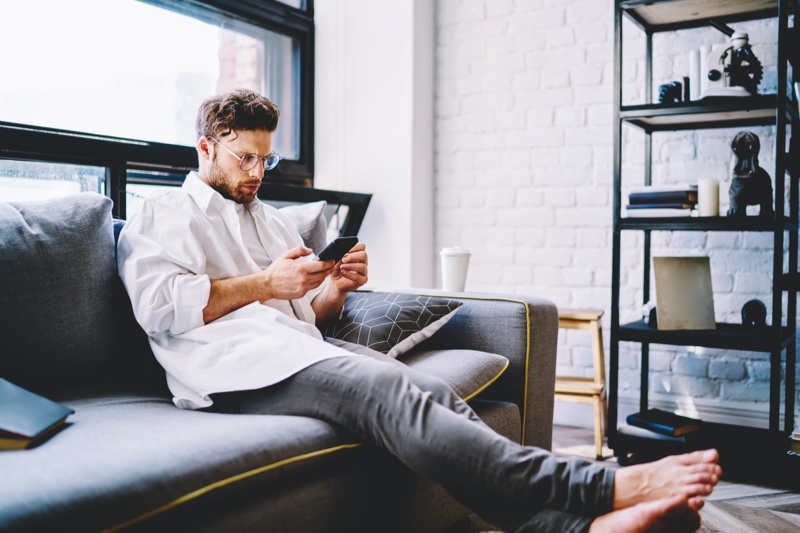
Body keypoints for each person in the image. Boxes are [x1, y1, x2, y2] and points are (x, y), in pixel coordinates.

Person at [117, 88, 721, 532]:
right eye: (244, 158)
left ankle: (570, 530)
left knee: (437, 397)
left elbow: (303, 317)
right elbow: (160, 308)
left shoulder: (271, 220)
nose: (257, 173)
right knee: (394, 395)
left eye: (265, 160)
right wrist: (265, 283)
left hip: (296, 351)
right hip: (233, 371)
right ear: (205, 148)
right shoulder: (160, 215)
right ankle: (602, 485)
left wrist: (334, 291)